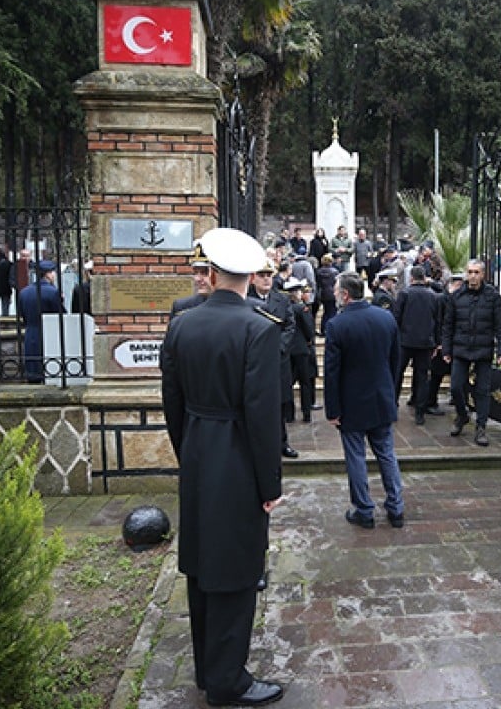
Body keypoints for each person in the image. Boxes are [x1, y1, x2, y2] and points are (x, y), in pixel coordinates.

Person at [160, 227, 285, 707]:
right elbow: (261, 414)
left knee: (200, 569)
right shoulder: (260, 327)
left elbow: (171, 402)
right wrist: (269, 483)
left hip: (196, 452)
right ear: (252, 276)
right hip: (236, 462)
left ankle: (208, 669)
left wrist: (188, 448)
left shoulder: (181, 324)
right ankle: (228, 682)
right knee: (234, 570)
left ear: (210, 274)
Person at [325, 272, 405, 529]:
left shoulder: (337, 325)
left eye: (337, 290)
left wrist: (333, 410)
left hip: (352, 404)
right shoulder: (386, 318)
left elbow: (332, 372)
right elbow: (396, 362)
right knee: (386, 454)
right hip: (382, 397)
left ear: (345, 295)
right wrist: (391, 395)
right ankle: (396, 508)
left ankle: (364, 510)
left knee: (356, 458)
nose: (335, 294)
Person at [441, 259, 501, 447]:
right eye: (469, 272)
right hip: (461, 349)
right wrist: (446, 349)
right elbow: (448, 325)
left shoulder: (492, 296)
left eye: (476, 272)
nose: (472, 276)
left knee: (482, 391)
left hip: (483, 349)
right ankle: (462, 416)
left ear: (483, 275)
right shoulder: (457, 296)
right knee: (455, 387)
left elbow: (500, 326)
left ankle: (481, 428)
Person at [248, 263, 299, 458]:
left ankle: (282, 443)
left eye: (269, 275)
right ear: (253, 277)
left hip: (278, 361)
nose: (266, 279)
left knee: (278, 406)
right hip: (254, 362)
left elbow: (289, 326)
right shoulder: (245, 299)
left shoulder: (282, 300)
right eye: (261, 275)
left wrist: (277, 348)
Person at [393, 265, 441, 425]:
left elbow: (396, 318)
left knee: (397, 375)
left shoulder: (404, 294)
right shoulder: (434, 296)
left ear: (411, 278)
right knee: (422, 377)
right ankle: (420, 412)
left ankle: (393, 406)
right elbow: (438, 322)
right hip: (426, 343)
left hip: (404, 342)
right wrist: (437, 343)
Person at [423, 273, 463, 417]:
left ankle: (455, 399)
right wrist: (438, 343)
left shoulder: (453, 299)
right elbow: (438, 322)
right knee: (436, 375)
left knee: (452, 374)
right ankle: (430, 402)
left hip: (451, 343)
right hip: (442, 344)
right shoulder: (442, 299)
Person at [18, 260, 64, 383]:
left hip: (31, 330)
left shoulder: (24, 292)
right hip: (49, 331)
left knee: (32, 362)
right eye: (52, 272)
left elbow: (22, 314)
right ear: (47, 274)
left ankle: (33, 378)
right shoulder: (53, 292)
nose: (54, 275)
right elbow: (60, 314)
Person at [285, 278, 317, 422]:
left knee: (288, 383)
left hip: (288, 349)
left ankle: (289, 415)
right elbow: (309, 328)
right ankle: (306, 413)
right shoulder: (301, 308)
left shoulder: (285, 307)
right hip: (302, 349)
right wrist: (310, 340)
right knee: (305, 382)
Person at [172, 247, 213, 318]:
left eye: (205, 273)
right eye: (195, 273)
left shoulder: (234, 307)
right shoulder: (182, 306)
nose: (197, 279)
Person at [313, 255, 338, 335]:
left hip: (322, 293)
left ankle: (323, 329)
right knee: (332, 312)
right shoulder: (334, 271)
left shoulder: (318, 272)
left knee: (326, 312)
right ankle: (330, 330)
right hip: (332, 293)